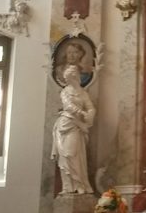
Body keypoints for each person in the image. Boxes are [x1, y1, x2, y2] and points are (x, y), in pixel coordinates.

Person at [51, 65, 96, 195]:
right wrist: (82, 113)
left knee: (73, 154)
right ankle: (67, 187)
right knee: (64, 156)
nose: (67, 80)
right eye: (67, 78)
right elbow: (68, 106)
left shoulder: (83, 93)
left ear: (75, 77)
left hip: (76, 126)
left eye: (70, 77)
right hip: (65, 124)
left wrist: (90, 114)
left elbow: (90, 107)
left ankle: (79, 184)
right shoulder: (65, 92)